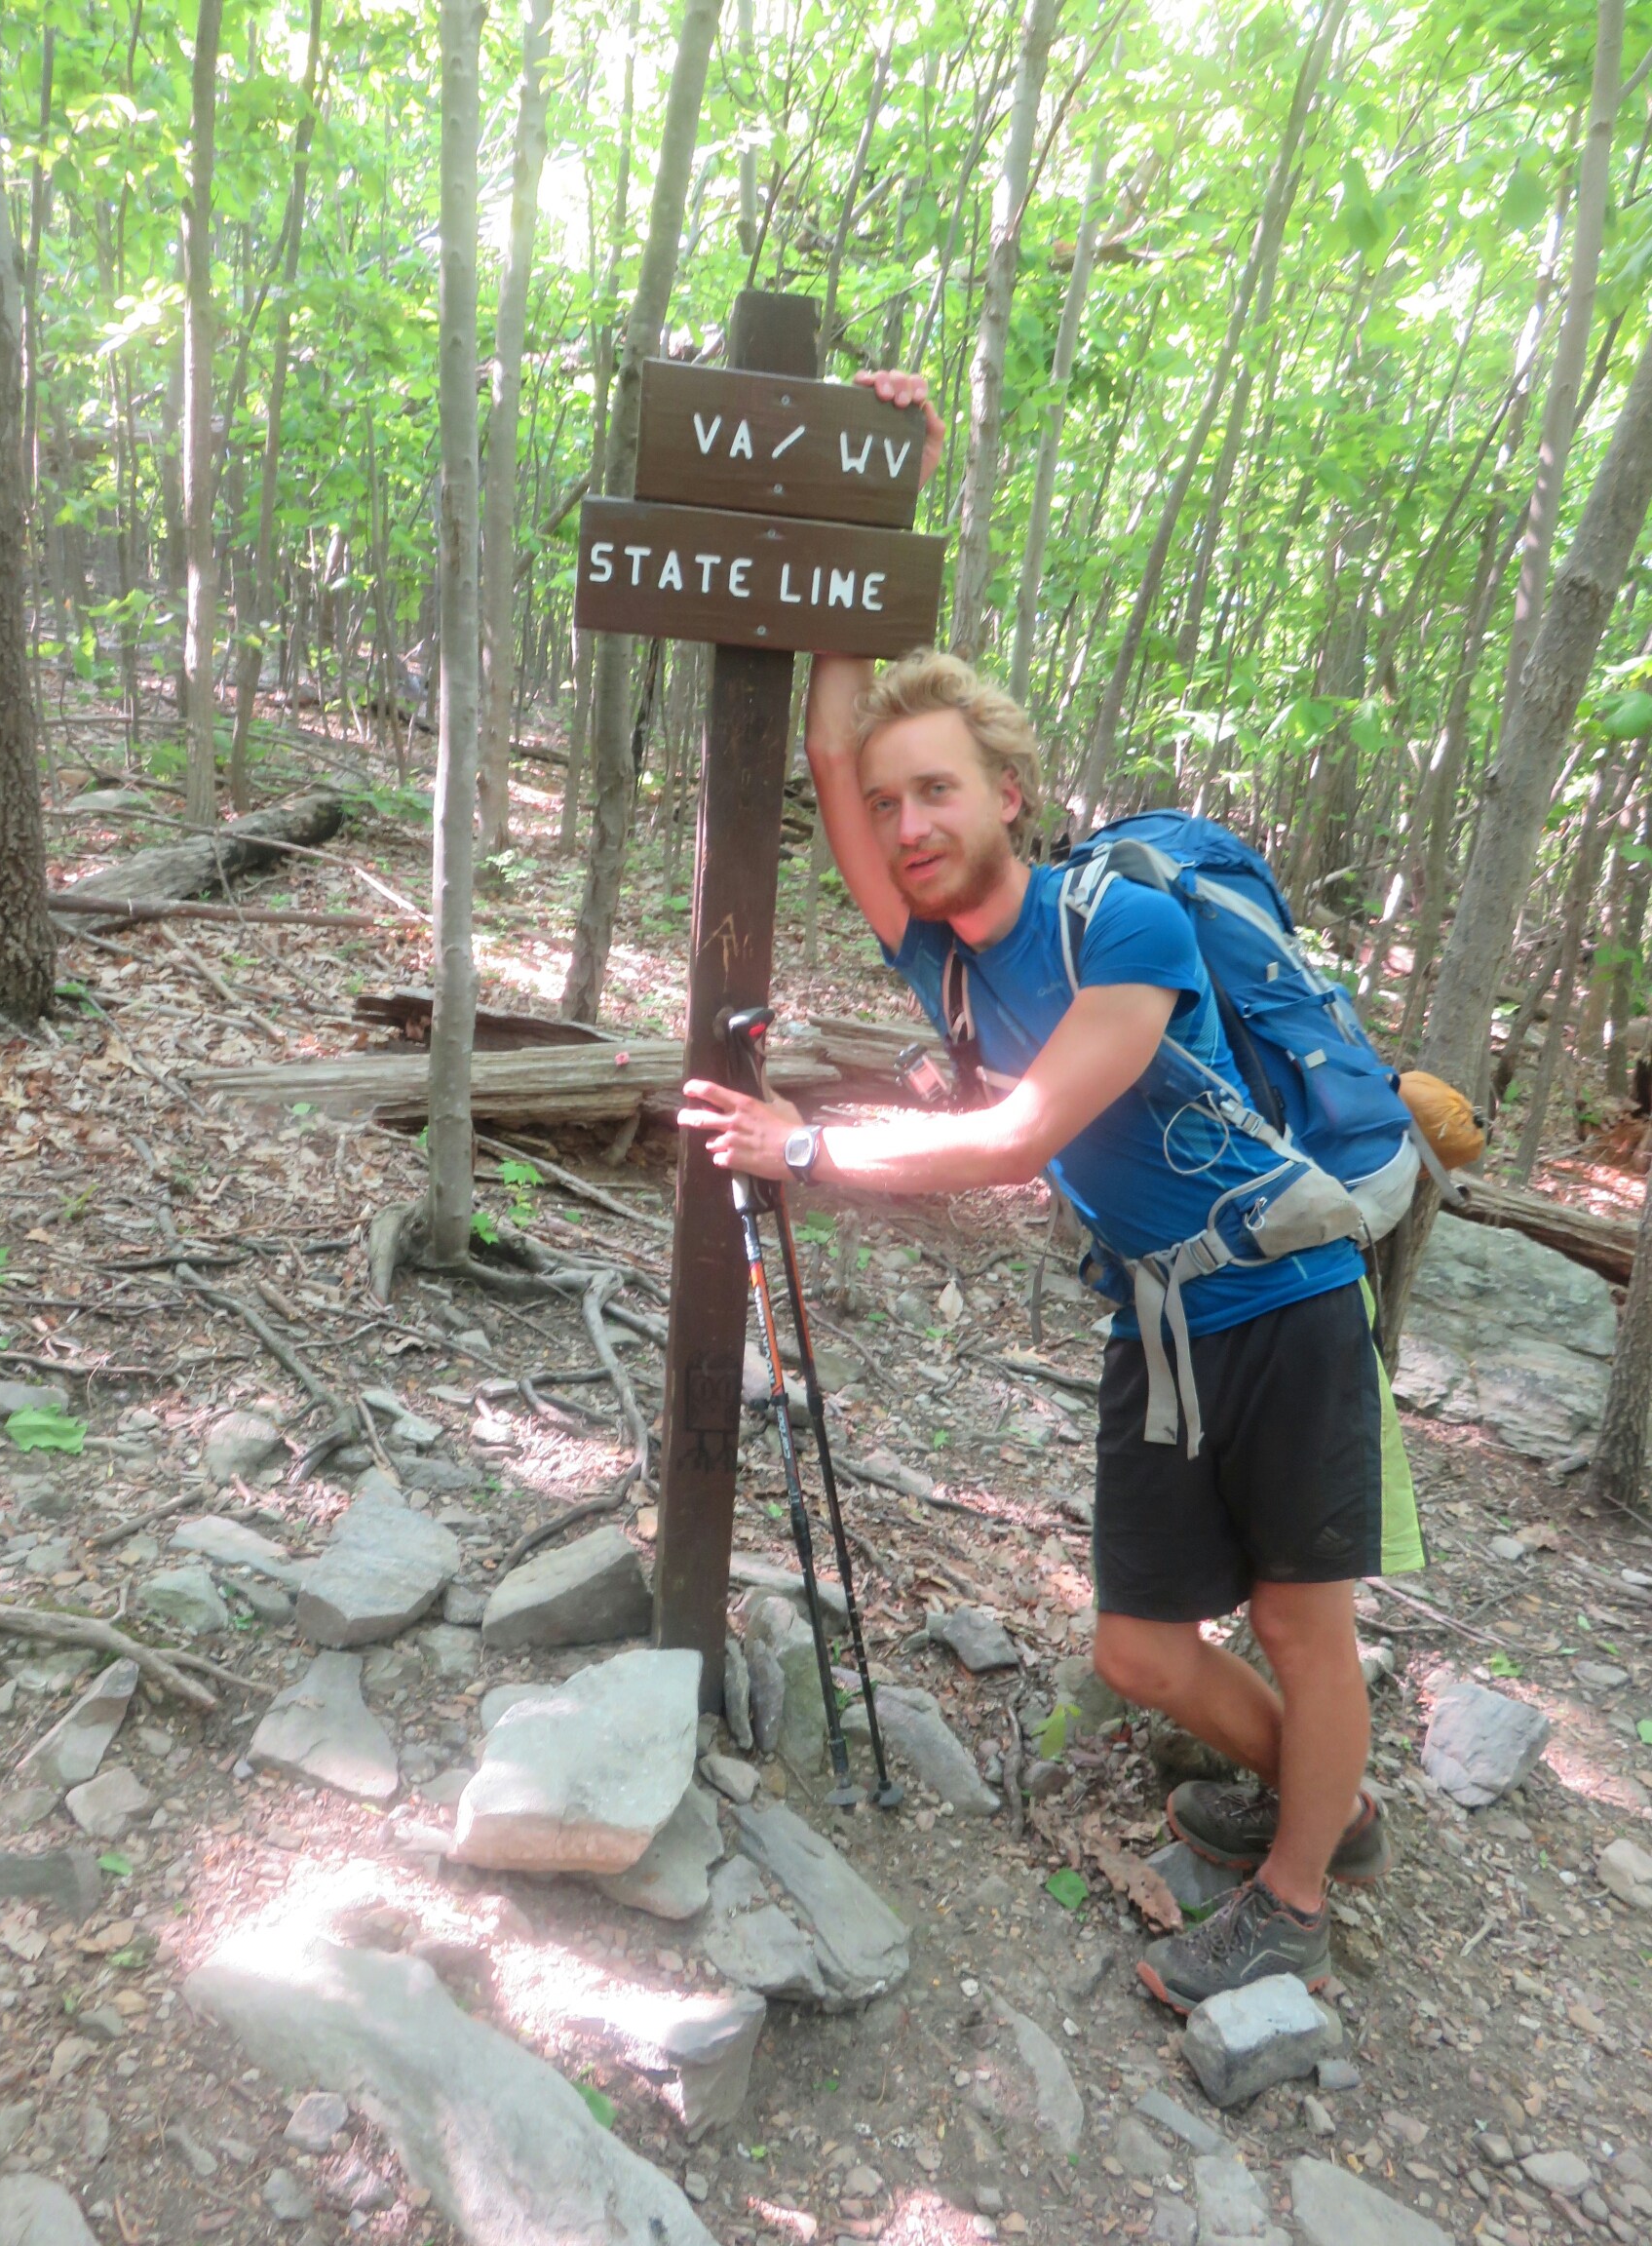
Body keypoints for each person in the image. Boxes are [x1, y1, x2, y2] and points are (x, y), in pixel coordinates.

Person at [678, 368, 1422, 2014]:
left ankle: (1297, 1895)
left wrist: (806, 1150)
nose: (905, 822)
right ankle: (1333, 1800)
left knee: (1303, 1623)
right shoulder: (938, 953)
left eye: (938, 789)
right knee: (1138, 1651)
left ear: (1009, 793)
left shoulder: (1119, 925)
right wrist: (874, 503)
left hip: (1285, 1297)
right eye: (893, 807)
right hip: (1155, 1323)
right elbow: (829, 746)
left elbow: (1019, 1137)